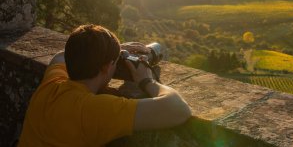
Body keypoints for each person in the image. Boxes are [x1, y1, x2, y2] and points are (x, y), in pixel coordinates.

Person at [18, 24, 191, 146]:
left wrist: (110, 53)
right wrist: (147, 80)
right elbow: (178, 109)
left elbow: (59, 56)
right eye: (115, 63)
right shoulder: (91, 110)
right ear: (108, 67)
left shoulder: (51, 84)